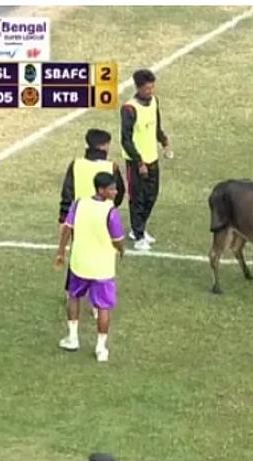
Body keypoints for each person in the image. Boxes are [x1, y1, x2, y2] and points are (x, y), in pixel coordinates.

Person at [55, 172, 125, 362]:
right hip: (102, 267)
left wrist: (61, 251)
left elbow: (67, 228)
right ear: (101, 190)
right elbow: (118, 240)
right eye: (112, 189)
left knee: (74, 297)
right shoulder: (111, 212)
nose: (115, 191)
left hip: (79, 262)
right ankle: (101, 348)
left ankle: (72, 337)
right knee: (103, 306)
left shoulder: (79, 204)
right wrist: (122, 251)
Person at [58, 129, 126, 317]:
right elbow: (120, 192)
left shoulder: (76, 165)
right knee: (103, 257)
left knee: (78, 254)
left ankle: (71, 291)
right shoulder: (111, 166)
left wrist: (63, 217)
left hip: (78, 216)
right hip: (103, 218)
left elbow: (67, 192)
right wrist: (111, 206)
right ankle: (98, 303)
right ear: (104, 146)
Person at [120, 68, 173, 251]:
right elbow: (125, 139)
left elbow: (156, 126)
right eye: (147, 88)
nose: (150, 91)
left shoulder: (154, 102)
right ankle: (139, 235)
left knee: (152, 195)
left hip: (152, 158)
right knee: (138, 199)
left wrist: (164, 140)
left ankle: (139, 228)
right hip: (136, 162)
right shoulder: (129, 109)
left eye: (152, 87)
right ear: (138, 88)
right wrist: (139, 162)